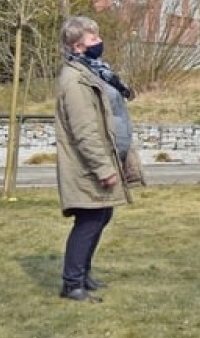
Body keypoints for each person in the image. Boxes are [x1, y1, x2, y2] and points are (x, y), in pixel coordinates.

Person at [54, 16, 145, 303]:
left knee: (102, 214)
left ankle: (83, 275)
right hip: (86, 164)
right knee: (90, 218)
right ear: (77, 45)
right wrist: (103, 168)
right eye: (93, 38)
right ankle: (72, 284)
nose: (99, 42)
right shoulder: (74, 80)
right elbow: (84, 130)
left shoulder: (96, 72)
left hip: (106, 156)